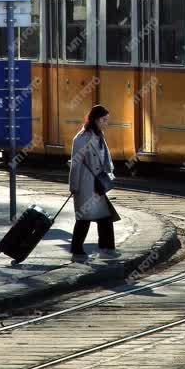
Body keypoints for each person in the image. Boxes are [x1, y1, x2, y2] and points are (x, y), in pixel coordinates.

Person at [69, 105, 120, 259]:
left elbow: (105, 159)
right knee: (85, 218)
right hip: (86, 184)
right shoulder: (81, 138)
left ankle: (107, 248)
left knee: (104, 217)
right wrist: (74, 186)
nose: (106, 123)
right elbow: (76, 164)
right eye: (104, 120)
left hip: (97, 184)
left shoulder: (99, 136)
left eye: (107, 120)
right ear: (96, 120)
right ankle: (77, 250)